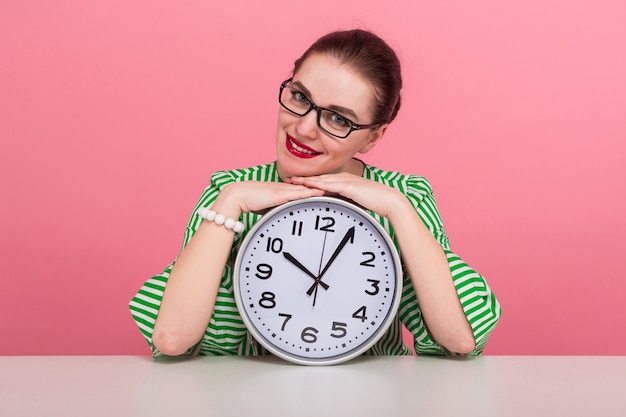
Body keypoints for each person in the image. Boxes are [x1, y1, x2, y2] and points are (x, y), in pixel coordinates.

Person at [129, 29, 501, 358]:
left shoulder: (404, 196)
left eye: (338, 118)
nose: (304, 127)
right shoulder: (230, 192)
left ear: (373, 136)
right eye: (300, 97)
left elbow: (459, 340)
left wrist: (399, 210)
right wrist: (230, 201)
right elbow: (172, 338)